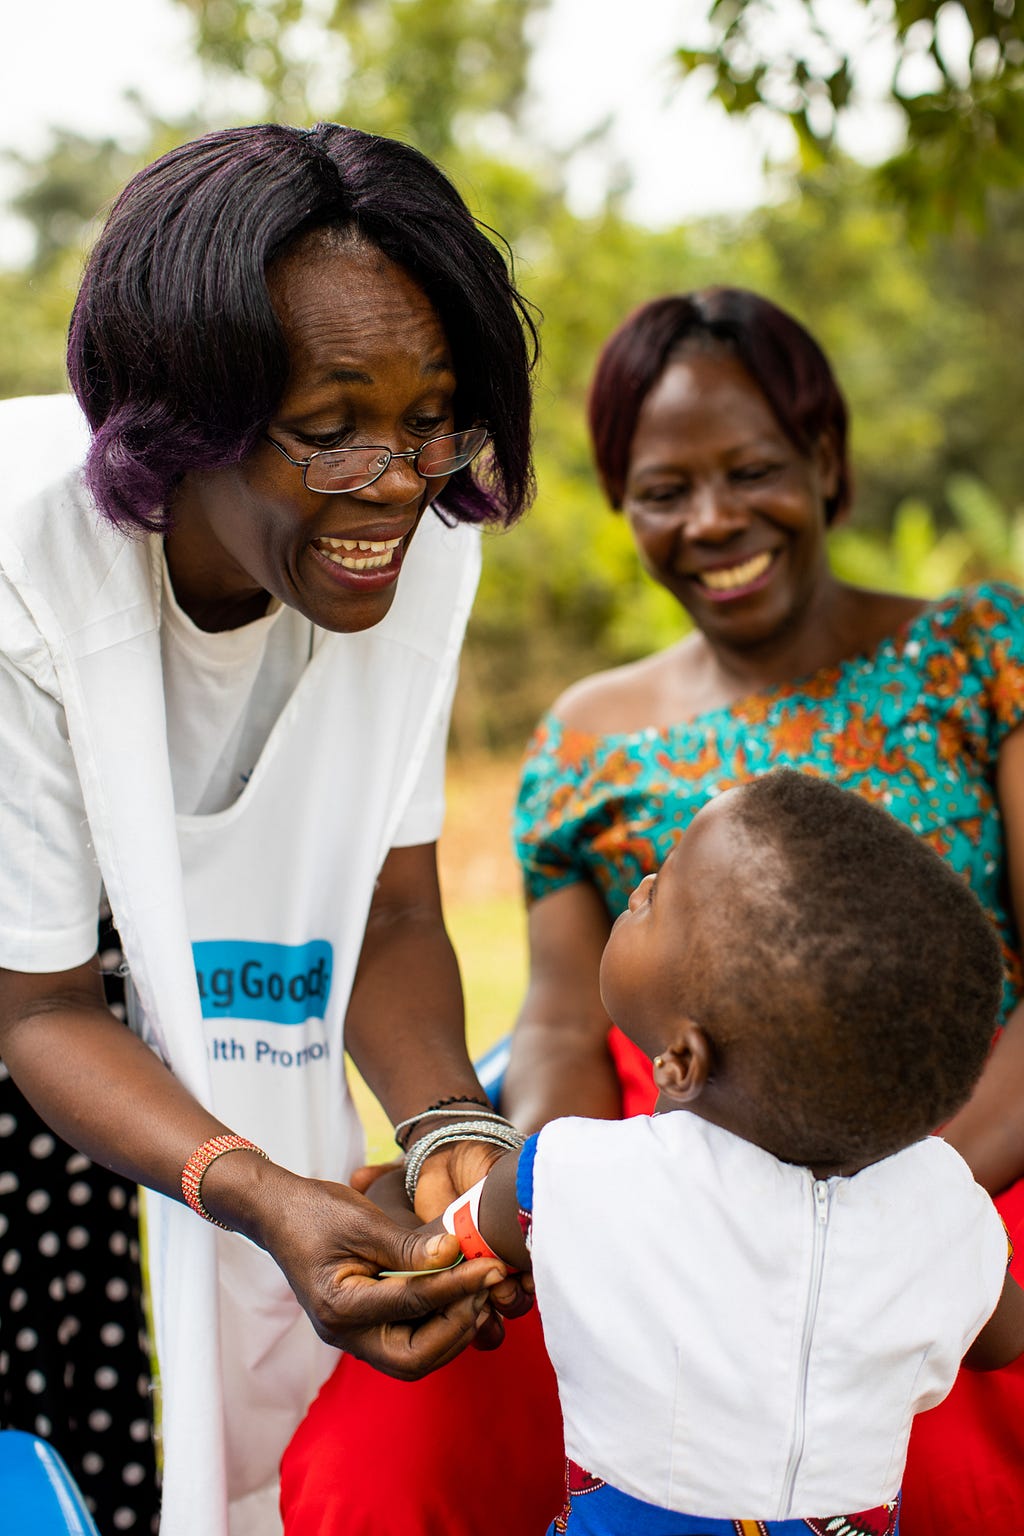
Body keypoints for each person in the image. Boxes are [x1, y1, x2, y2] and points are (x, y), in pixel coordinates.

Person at [0, 121, 543, 1536]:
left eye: (435, 415)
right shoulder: (25, 558)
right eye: (331, 427)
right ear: (186, 421)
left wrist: (445, 1133)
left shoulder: (422, 547)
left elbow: (393, 908)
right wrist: (259, 1193)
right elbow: (40, 1004)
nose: (400, 479)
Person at [503, 287, 1024, 1531]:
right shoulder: (582, 735)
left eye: (751, 470)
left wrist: (867, 1222)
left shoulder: (975, 649)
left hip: (979, 1147)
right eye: (662, 489)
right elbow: (563, 1026)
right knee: (405, 1443)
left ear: (825, 463)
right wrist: (572, 1213)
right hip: (673, 1183)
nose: (713, 520)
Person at [419, 770, 1024, 1533]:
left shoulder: (574, 1174)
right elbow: (1002, 1338)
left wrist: (397, 1199)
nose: (638, 885)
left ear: (679, 1060)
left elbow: (447, 1244)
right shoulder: (945, 1207)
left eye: (659, 897)